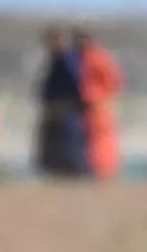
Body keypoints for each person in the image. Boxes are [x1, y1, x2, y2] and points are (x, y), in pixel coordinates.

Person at [36, 26, 88, 177]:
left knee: (68, 146)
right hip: (57, 110)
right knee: (54, 148)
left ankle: (73, 174)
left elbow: (75, 83)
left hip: (66, 110)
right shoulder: (57, 59)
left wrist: (64, 102)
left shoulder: (67, 59)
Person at [74, 28, 124, 179]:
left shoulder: (98, 57)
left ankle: (104, 170)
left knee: (102, 140)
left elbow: (114, 81)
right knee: (90, 140)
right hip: (89, 106)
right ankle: (94, 169)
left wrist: (102, 98)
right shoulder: (83, 58)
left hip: (99, 105)